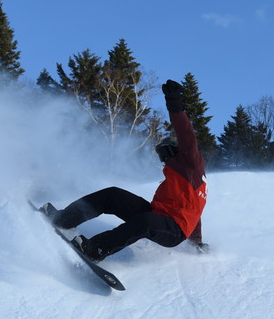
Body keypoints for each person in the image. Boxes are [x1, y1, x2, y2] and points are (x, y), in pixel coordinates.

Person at [44, 80, 206, 261]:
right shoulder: (180, 182)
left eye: (163, 153)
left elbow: (187, 135)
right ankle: (64, 219)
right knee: (112, 195)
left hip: (174, 229)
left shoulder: (191, 164)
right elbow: (195, 212)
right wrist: (197, 242)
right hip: (156, 215)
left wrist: (174, 103)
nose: (163, 160)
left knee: (145, 222)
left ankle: (96, 249)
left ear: (173, 150)